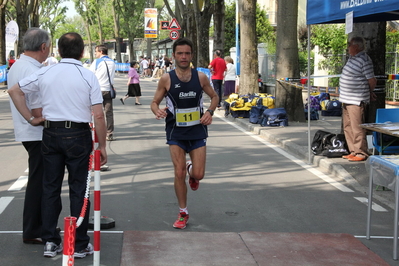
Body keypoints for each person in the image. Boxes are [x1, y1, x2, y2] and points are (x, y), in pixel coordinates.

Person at [9, 32, 107, 259]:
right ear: (82, 52)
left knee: (50, 188)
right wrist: (101, 146)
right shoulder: (87, 75)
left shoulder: (45, 71)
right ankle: (80, 243)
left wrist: (30, 119)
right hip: (78, 134)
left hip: (51, 133)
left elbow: (14, 90)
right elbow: (99, 116)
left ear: (58, 51)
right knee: (79, 189)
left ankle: (51, 242)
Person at [150, 38, 219, 229]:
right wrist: (157, 110)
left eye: (187, 53)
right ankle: (183, 213)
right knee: (178, 172)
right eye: (180, 53)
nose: (183, 57)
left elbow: (214, 97)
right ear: (173, 56)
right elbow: (154, 102)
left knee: (199, 174)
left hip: (197, 130)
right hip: (175, 132)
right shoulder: (167, 79)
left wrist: (210, 112)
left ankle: (192, 170)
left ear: (191, 55)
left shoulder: (201, 77)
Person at [7, 27, 51, 245]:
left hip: (29, 132)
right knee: (40, 181)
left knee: (40, 179)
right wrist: (33, 118)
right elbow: (37, 109)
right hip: (36, 131)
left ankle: (39, 225)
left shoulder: (20, 65)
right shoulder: (31, 69)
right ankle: (34, 229)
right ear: (43, 47)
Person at [339, 36, 377, 162]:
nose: (348, 47)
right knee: (348, 126)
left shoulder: (364, 60)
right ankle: (353, 151)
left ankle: (361, 152)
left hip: (356, 99)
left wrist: (369, 92)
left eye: (349, 45)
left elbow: (371, 80)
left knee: (357, 127)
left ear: (356, 46)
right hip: (346, 98)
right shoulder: (352, 58)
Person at [90, 44, 116, 141]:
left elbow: (90, 74)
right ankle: (109, 133)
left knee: (96, 112)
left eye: (96, 51)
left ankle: (96, 132)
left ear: (101, 52)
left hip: (97, 90)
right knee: (109, 112)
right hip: (108, 90)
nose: (95, 53)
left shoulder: (97, 62)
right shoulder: (112, 62)